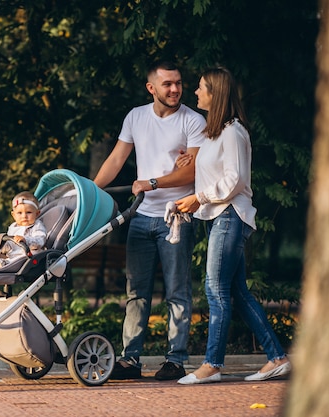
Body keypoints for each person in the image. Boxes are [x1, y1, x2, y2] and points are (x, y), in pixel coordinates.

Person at [174, 67, 291, 384]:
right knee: (237, 292)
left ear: (216, 93)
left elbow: (235, 180)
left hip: (230, 215)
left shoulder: (234, 132)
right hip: (218, 216)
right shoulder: (214, 134)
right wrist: (192, 161)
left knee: (216, 291)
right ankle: (277, 357)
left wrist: (199, 197)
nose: (195, 92)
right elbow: (218, 171)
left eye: (200, 88)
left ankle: (212, 364)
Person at [93, 61, 207, 380]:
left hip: (177, 217)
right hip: (141, 218)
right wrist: (89, 191)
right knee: (136, 292)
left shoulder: (193, 121)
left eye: (179, 83)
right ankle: (131, 360)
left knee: (177, 291)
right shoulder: (136, 117)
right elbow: (117, 158)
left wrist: (152, 182)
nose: (175, 89)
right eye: (168, 84)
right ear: (151, 88)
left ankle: (176, 359)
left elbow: (193, 170)